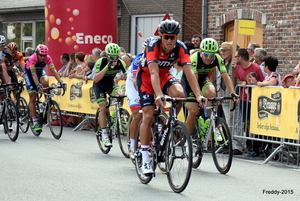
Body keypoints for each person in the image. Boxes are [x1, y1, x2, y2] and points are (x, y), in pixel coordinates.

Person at [137, 19, 204, 174]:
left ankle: (167, 122)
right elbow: (153, 72)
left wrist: (199, 96)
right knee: (147, 116)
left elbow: (189, 72)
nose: (169, 40)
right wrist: (159, 94)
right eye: (166, 37)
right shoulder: (153, 46)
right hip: (147, 78)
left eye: (172, 37)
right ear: (161, 36)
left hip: (164, 76)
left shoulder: (181, 48)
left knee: (180, 94)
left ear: (176, 37)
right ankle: (145, 157)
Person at [183, 38, 238, 141]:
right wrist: (199, 96)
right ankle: (187, 140)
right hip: (189, 82)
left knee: (212, 93)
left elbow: (226, 76)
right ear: (201, 52)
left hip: (203, 79)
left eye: (211, 55)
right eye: (206, 55)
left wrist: (233, 93)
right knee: (193, 110)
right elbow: (194, 80)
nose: (209, 58)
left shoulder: (217, 58)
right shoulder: (194, 58)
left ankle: (212, 121)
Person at [93, 43, 127, 147]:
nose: (114, 59)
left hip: (110, 84)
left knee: (120, 95)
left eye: (116, 57)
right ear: (107, 56)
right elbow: (96, 79)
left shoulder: (121, 63)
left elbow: (128, 75)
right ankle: (104, 135)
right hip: (99, 85)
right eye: (112, 57)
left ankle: (115, 114)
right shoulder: (101, 61)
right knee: (103, 108)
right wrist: (107, 67)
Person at [24, 44, 65, 131]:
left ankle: (46, 100)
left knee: (46, 81)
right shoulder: (32, 58)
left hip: (40, 72)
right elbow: (33, 74)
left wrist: (61, 82)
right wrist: (38, 85)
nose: (43, 57)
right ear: (37, 53)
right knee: (33, 96)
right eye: (41, 55)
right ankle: (35, 121)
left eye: (44, 55)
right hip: (30, 73)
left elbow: (53, 71)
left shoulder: (48, 58)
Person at [126, 37, 155, 159]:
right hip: (135, 85)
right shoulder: (138, 59)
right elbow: (135, 80)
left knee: (153, 114)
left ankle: (151, 142)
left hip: (149, 83)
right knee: (138, 115)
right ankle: (132, 145)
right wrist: (140, 97)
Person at [247, 56, 280, 157]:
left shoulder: (274, 75)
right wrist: (257, 83)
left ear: (266, 67)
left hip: (272, 106)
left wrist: (260, 84)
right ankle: (257, 149)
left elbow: (271, 83)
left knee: (268, 130)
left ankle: (265, 149)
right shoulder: (268, 76)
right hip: (265, 107)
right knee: (260, 128)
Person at [234, 48, 264, 151]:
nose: (235, 58)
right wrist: (242, 82)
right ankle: (249, 143)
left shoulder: (255, 68)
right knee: (246, 121)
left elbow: (261, 82)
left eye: (236, 56)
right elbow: (237, 79)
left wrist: (252, 84)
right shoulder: (238, 67)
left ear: (241, 58)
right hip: (243, 98)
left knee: (253, 122)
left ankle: (256, 145)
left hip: (254, 99)